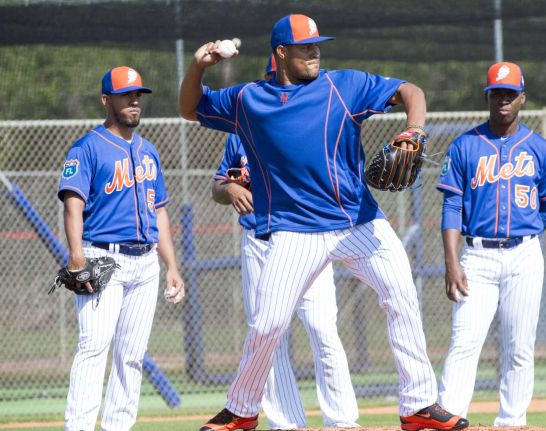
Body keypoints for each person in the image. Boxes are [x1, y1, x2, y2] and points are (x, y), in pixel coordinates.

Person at [179, 14, 469, 431]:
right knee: (269, 322)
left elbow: (410, 90)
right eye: (305, 47)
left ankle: (418, 405)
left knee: (401, 294)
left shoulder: (342, 85)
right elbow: (190, 108)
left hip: (358, 221)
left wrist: (415, 128)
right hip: (295, 230)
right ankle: (241, 410)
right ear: (281, 53)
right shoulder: (249, 100)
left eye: (318, 45)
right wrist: (199, 66)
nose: (315, 52)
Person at [211, 55, 359, 429]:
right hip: (260, 242)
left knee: (323, 328)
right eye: (267, 81)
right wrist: (229, 187)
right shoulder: (240, 133)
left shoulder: (307, 124)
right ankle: (286, 423)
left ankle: (342, 421)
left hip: (307, 238)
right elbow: (217, 186)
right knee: (266, 337)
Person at [58, 66, 185, 431]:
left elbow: (158, 209)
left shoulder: (149, 152)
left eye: (138, 94)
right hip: (102, 258)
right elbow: (73, 205)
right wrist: (77, 256)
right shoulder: (87, 147)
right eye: (125, 94)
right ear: (106, 100)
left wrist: (172, 266)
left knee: (131, 356)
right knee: (94, 346)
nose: (134, 100)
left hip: (146, 263)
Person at [435, 62, 546, 426]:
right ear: (487, 97)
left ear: (522, 98)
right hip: (476, 256)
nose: (502, 100)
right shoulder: (465, 145)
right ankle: (451, 415)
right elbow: (452, 205)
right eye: (496, 94)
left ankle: (511, 420)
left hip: (523, 254)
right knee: (465, 340)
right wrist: (451, 261)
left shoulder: (539, 148)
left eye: (509, 94)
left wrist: (530, 231)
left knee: (519, 346)